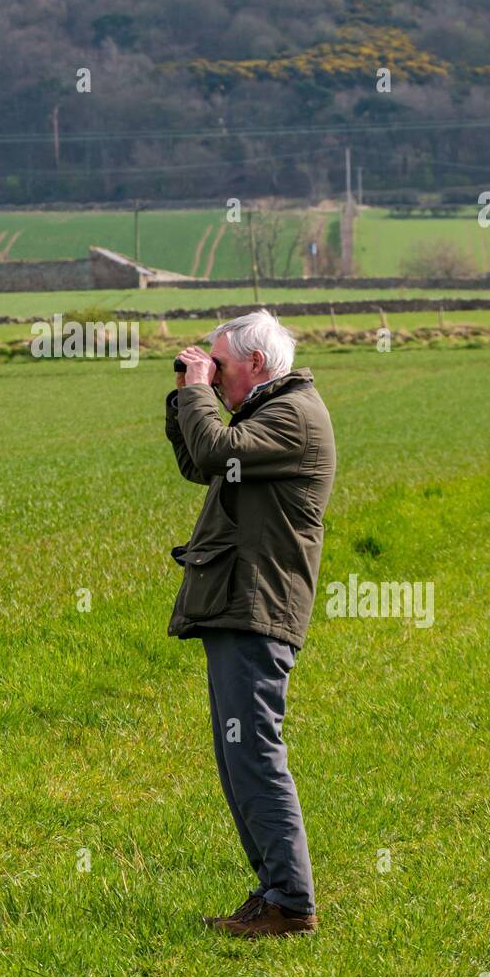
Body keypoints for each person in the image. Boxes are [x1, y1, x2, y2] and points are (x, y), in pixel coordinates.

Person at [165, 311, 336, 938]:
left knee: (255, 754)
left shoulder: (292, 417)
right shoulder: (269, 412)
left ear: (257, 365)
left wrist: (196, 393)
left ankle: (291, 901)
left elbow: (216, 449)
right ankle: (274, 894)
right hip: (239, 601)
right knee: (239, 756)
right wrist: (190, 392)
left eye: (222, 364)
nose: (212, 374)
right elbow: (200, 462)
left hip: (258, 604)